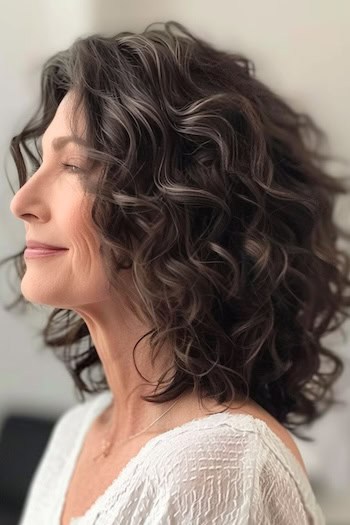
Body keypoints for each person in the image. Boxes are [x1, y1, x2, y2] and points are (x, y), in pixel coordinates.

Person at [2, 19, 349, 525]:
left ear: (174, 207)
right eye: (38, 166)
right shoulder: (75, 434)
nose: (21, 202)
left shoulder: (225, 465)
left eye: (73, 165)